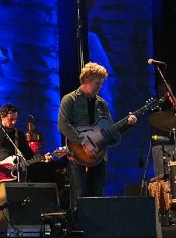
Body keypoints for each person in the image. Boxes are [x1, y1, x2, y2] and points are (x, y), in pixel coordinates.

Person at [58, 62, 137, 207]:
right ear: (86, 79)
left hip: (99, 155)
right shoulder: (70, 99)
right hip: (77, 154)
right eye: (97, 83)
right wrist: (84, 142)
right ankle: (78, 228)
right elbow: (63, 125)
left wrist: (128, 123)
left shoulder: (102, 104)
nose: (100, 87)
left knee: (97, 194)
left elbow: (110, 131)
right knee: (79, 195)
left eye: (101, 83)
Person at [0, 104, 48, 179]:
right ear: (2, 117)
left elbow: (29, 155)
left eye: (16, 119)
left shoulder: (19, 134)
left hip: (14, 173)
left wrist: (42, 158)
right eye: (11, 119)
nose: (14, 122)